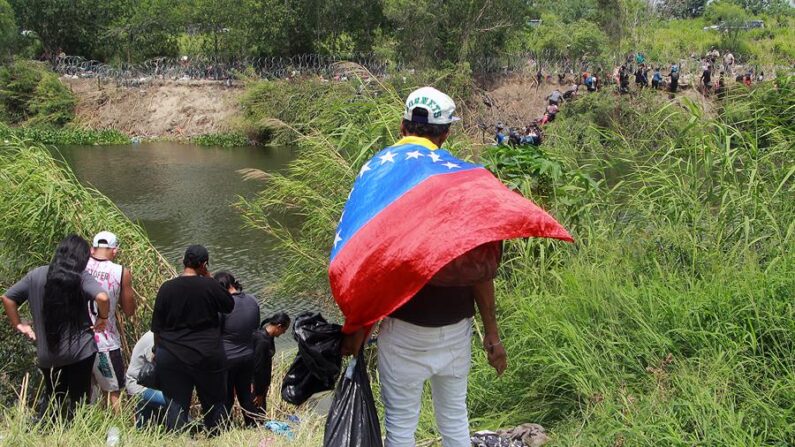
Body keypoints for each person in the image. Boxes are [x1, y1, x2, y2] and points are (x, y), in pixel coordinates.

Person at [342, 87, 508, 447]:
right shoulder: (461, 182)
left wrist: (359, 329)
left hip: (402, 331)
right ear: (446, 133)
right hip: (455, 333)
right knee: (455, 423)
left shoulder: (379, 175)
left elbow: (370, 263)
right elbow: (480, 269)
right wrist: (491, 333)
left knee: (400, 430)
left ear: (403, 126)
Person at [2, 235, 109, 421]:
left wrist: (19, 324)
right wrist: (103, 317)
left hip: (48, 355)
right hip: (81, 352)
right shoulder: (81, 277)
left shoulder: (36, 275)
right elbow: (103, 298)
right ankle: (80, 431)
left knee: (54, 397)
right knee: (80, 399)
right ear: (82, 257)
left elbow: (7, 298)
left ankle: (51, 429)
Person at [150, 245, 234, 434]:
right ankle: (217, 437)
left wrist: (157, 351)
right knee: (214, 403)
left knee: (175, 404)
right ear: (204, 265)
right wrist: (210, 278)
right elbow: (229, 305)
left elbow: (157, 327)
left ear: (183, 261)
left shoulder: (167, 288)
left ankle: (179, 440)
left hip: (171, 356)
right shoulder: (210, 285)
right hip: (206, 355)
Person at [84, 231, 136, 412]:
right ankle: (120, 430)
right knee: (113, 391)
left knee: (85, 391)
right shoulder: (120, 271)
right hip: (105, 341)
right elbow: (129, 310)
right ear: (114, 251)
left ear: (92, 249)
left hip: (79, 340)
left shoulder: (78, 267)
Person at [215, 271, 260, 427]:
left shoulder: (222, 306)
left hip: (228, 358)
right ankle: (253, 426)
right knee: (245, 395)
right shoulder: (253, 301)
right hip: (248, 355)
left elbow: (216, 333)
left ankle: (224, 429)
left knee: (226, 398)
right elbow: (255, 329)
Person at [125, 331, 167, 428]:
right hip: (138, 385)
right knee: (173, 401)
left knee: (142, 427)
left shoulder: (162, 335)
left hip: (149, 384)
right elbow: (155, 370)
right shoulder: (152, 338)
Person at [252, 313, 291, 415]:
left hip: (261, 385)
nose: (284, 332)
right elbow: (258, 368)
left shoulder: (268, 336)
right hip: (255, 386)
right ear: (278, 326)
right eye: (284, 329)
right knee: (258, 415)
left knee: (260, 413)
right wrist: (259, 394)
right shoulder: (262, 341)